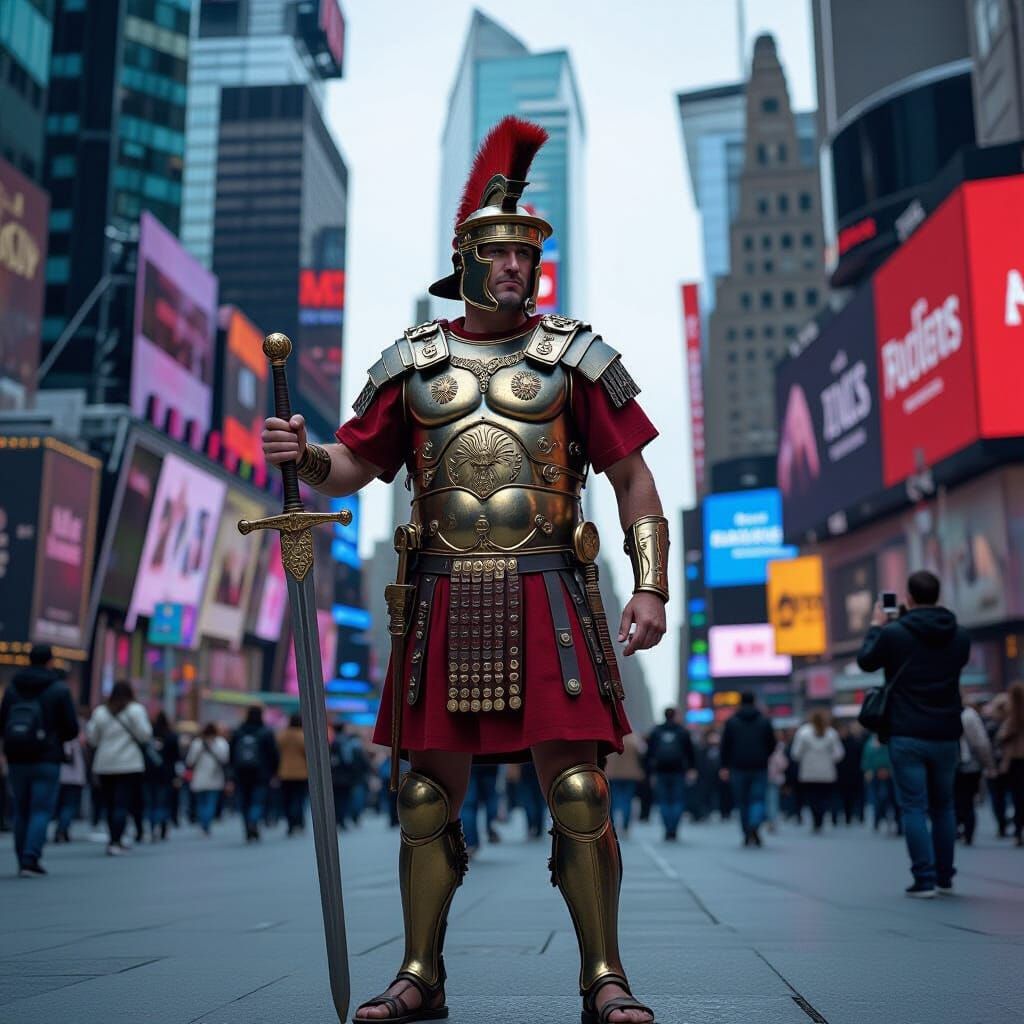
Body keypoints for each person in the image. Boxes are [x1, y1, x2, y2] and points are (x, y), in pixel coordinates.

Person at [262, 116, 668, 1024]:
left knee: (577, 790)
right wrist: (303, 452)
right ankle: (419, 973)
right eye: (502, 252)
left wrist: (650, 585)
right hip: (442, 590)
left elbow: (635, 478)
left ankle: (605, 976)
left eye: (528, 254)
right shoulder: (412, 363)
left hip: (552, 590)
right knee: (421, 795)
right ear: (466, 260)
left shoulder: (578, 357)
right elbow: (354, 465)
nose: (519, 267)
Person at [857, 570, 968, 897]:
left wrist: (878, 624)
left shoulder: (894, 634)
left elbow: (866, 661)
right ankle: (946, 877)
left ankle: (924, 877)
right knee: (944, 806)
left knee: (914, 807)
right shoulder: (960, 635)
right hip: (946, 730)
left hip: (907, 732)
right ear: (938, 595)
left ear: (908, 597)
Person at [0, 644, 79, 875]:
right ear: (50, 661)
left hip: (16, 757)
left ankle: (21, 857)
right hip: (47, 757)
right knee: (41, 809)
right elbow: (71, 728)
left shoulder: (13, 688)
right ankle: (30, 857)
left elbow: (2, 722)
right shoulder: (58, 689)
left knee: (20, 809)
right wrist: (55, 738)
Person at [85, 680, 152, 856]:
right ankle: (117, 840)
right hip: (129, 763)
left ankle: (113, 839)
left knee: (109, 803)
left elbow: (92, 738)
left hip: (105, 763)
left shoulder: (101, 712)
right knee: (122, 803)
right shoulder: (136, 710)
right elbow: (145, 735)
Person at [719, 692, 776, 847]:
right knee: (758, 799)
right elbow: (772, 744)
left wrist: (724, 766)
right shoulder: (764, 721)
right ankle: (755, 824)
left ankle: (746, 832)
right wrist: (764, 756)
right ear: (755, 702)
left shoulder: (731, 722)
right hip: (759, 767)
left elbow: (725, 746)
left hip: (738, 768)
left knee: (742, 801)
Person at [645, 708, 696, 841]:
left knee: (663, 801)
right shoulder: (683, 731)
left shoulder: (656, 732)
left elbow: (649, 754)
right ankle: (674, 829)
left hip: (661, 771)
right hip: (678, 771)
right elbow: (690, 752)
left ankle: (667, 828)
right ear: (675, 716)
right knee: (678, 800)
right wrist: (691, 768)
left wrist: (650, 773)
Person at [790, 709, 843, 833]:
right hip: (826, 772)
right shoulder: (831, 733)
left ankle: (815, 821)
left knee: (812, 797)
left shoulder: (803, 732)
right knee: (824, 797)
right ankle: (821, 818)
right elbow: (839, 754)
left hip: (809, 772)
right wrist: (828, 759)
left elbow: (795, 753)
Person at [232, 705, 280, 841]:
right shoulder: (266, 732)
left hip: (241, 773)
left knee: (244, 801)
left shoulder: (238, 732)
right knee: (257, 801)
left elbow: (231, 754)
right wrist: (274, 772)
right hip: (261, 774)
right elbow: (274, 754)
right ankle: (254, 821)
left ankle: (247, 825)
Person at [955, 701, 995, 846]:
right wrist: (989, 765)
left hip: (955, 765)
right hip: (969, 765)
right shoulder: (969, 715)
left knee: (956, 800)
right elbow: (981, 743)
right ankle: (967, 832)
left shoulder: (940, 712)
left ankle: (961, 829)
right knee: (967, 801)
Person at [186, 723, 230, 836]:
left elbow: (190, 761)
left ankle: (203, 823)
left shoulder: (197, 743)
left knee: (201, 803)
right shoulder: (221, 743)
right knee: (211, 802)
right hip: (215, 776)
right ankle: (207, 823)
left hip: (199, 776)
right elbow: (225, 759)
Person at [996, 680, 1024, 846]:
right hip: (1017, 761)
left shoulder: (1011, 716)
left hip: (1014, 761)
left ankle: (1018, 831)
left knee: (1016, 797)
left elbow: (1001, 737)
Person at [146, 711, 180, 841]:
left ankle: (152, 826)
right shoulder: (171, 736)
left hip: (149, 774)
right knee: (164, 803)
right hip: (167, 775)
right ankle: (163, 827)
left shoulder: (149, 736)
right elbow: (177, 758)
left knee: (151, 802)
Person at [605, 732, 646, 836]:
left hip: (613, 773)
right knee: (627, 799)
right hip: (630, 774)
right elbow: (642, 753)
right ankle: (625, 826)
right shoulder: (633, 739)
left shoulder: (610, 737)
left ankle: (612, 826)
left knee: (612, 800)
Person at [277, 713, 308, 835]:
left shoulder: (282, 735)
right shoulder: (302, 736)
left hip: (284, 772)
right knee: (299, 799)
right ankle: (299, 822)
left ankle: (290, 823)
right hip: (301, 773)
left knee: (287, 799)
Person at [861, 733, 899, 834]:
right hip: (875, 773)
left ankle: (897, 822)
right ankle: (877, 820)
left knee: (893, 798)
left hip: (891, 774)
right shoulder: (871, 742)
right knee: (878, 798)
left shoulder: (892, 740)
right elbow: (866, 757)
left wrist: (889, 769)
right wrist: (868, 770)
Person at [54, 735, 87, 843]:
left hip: (58, 776)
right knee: (70, 805)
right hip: (73, 777)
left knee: (62, 805)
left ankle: (63, 830)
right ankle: (62, 830)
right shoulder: (73, 737)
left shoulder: (55, 736)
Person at [835, 722, 866, 825]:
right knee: (841, 797)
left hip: (854, 774)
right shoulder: (836, 743)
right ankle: (838, 817)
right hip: (839, 775)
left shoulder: (855, 743)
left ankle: (854, 816)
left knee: (853, 797)